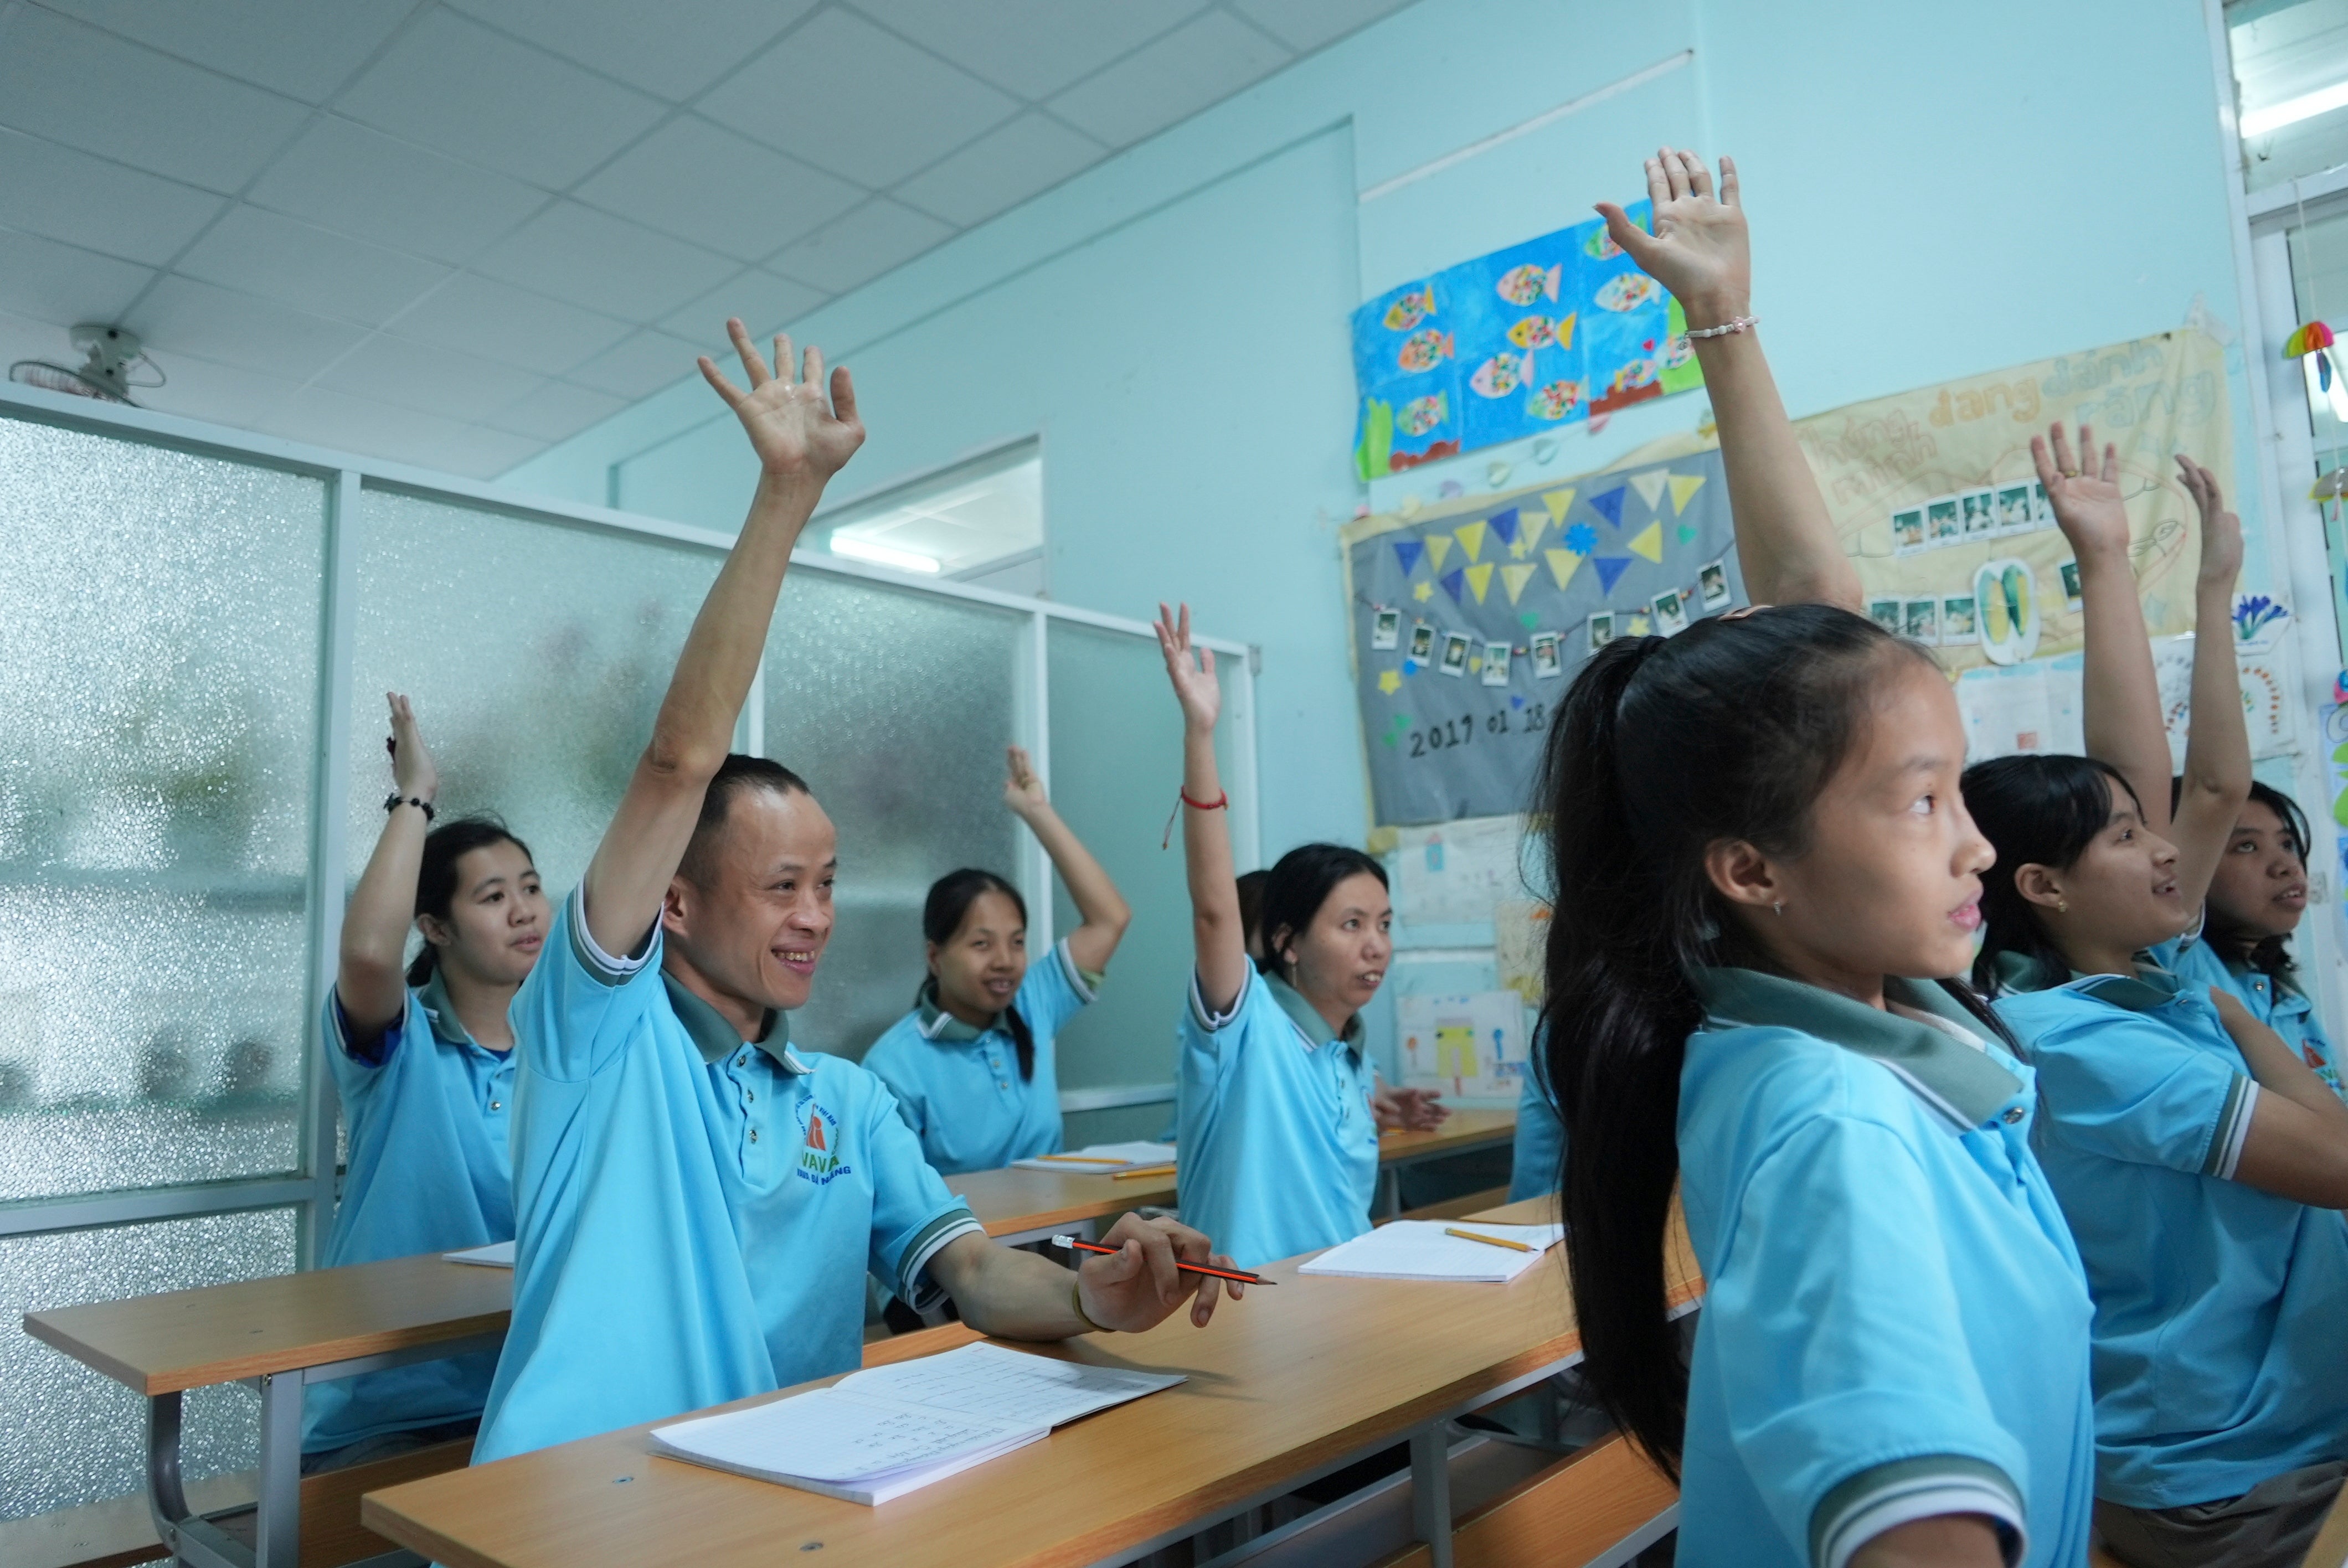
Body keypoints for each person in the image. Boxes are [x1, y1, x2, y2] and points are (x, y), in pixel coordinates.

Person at [472, 323, 1242, 1465]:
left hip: (779, 1504)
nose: (816, 917)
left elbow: (969, 1270)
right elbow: (678, 763)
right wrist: (786, 497)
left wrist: (1097, 1298)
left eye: (827, 884)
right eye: (781, 886)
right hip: (573, 1505)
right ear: (673, 903)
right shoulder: (597, 1039)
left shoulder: (846, 1100)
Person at [1538, 149, 2095, 1568]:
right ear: (1749, 870)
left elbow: (1819, 646)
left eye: (1955, 791)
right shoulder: (1829, 1122)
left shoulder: (1870, 1010)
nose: (1976, 840)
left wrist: (1722, 321)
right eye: (1922, 804)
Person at [1970, 441, 2348, 1567]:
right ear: (2043, 887)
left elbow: (2173, 773)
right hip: (2222, 1464)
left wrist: (2111, 562)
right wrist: (2232, 1015)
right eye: (2131, 837)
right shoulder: (2076, 1038)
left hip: (2283, 1422)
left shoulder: (2151, 973)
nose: (2171, 846)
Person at [304, 694, 548, 1469]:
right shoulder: (400, 1048)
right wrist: (415, 796)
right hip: (386, 1415)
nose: (525, 912)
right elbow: (369, 955)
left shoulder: (565, 1059)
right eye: (494, 897)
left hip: (525, 1401)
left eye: (531, 888)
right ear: (435, 928)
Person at [861, 745, 1130, 1175]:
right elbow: (898, 1196)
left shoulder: (1032, 1004)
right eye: (982, 945)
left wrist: (1037, 812)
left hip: (1061, 1220)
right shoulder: (894, 1066)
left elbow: (1110, 919)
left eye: (1017, 942)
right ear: (935, 956)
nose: (1005, 961)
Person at [2164, 777, 2343, 1100]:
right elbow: (2216, 782)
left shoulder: (2285, 993)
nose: (2287, 866)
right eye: (2246, 846)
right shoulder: (2178, 963)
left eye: (2287, 844)